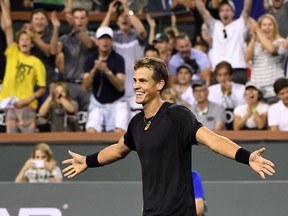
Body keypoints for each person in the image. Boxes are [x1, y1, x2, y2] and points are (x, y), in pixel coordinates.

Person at [62, 57, 275, 216]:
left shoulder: (177, 116)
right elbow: (118, 150)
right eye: (135, 80)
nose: (136, 85)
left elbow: (213, 140)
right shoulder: (136, 123)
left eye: (143, 81)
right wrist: (87, 161)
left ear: (159, 84)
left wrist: (247, 157)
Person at [0, 0, 46, 133]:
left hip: (28, 106)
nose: (24, 42)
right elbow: (8, 26)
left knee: (28, 139)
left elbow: (42, 88)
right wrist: (4, 5)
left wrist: (27, 100)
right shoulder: (13, 52)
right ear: (18, 43)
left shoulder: (36, 62)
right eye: (22, 40)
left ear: (32, 44)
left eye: (27, 40)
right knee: (11, 141)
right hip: (10, 106)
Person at [100, 0, 147, 119]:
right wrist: (110, 12)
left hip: (137, 88)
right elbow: (100, 34)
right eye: (121, 17)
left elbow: (141, 31)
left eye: (126, 17)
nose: (124, 19)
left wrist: (127, 9)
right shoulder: (113, 38)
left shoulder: (137, 37)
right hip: (118, 89)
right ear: (117, 21)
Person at [83, 26, 128, 133]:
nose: (105, 42)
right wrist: (94, 70)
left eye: (107, 39)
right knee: (91, 131)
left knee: (119, 132)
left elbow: (120, 86)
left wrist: (107, 71)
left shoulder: (118, 59)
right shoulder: (90, 60)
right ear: (97, 41)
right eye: (102, 39)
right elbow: (85, 86)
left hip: (117, 102)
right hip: (97, 103)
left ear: (112, 41)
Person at [195, 0, 252, 84]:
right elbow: (202, 11)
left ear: (233, 13)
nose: (225, 13)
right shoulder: (215, 25)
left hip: (237, 70)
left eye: (228, 10)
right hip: (218, 72)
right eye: (222, 10)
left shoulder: (240, 24)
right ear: (219, 14)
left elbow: (247, 8)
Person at [58, 7, 95, 113]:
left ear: (87, 20)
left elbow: (90, 44)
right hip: (70, 85)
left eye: (82, 18)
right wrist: (56, 28)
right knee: (70, 117)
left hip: (88, 86)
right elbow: (53, 51)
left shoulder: (93, 35)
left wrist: (75, 27)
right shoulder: (65, 38)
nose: (79, 21)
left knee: (90, 118)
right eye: (76, 18)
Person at [245, 14, 285, 104]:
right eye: (264, 25)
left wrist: (258, 31)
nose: (267, 28)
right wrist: (254, 37)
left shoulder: (280, 42)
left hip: (274, 91)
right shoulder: (255, 44)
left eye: (270, 25)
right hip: (258, 92)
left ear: (274, 27)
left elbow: (271, 49)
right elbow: (246, 58)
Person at [208, 61, 246, 129]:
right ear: (216, 77)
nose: (223, 78)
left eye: (225, 74)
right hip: (216, 122)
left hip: (235, 122)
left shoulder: (241, 88)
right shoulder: (211, 90)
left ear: (231, 75)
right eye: (220, 75)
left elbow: (242, 108)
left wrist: (230, 95)